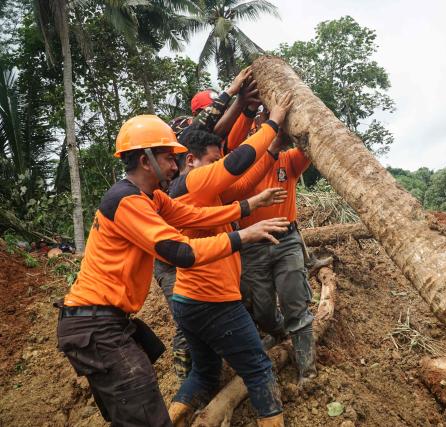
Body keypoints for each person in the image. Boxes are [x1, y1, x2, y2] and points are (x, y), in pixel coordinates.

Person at [55, 114, 289, 426]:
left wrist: (248, 207)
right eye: (168, 158)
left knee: (142, 411)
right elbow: (181, 253)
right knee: (148, 417)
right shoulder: (127, 201)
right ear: (145, 160)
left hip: (105, 324)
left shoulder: (150, 197)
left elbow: (191, 216)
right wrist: (244, 235)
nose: (174, 165)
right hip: (97, 328)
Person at [167, 92, 294, 427]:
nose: (218, 165)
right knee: (258, 367)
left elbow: (244, 183)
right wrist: (273, 122)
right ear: (191, 160)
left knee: (205, 374)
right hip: (213, 300)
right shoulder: (193, 181)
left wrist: (272, 152)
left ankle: (171, 419)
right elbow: (236, 164)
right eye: (212, 160)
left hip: (188, 299)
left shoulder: (202, 191)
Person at [154, 70, 261, 381]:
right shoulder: (179, 141)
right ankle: (191, 381)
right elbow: (200, 132)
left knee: (236, 297)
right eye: (207, 112)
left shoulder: (203, 161)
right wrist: (234, 97)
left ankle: (221, 366)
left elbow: (223, 136)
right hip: (172, 256)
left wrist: (246, 107)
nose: (214, 118)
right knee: (187, 322)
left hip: (199, 246)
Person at [232, 114, 317, 386]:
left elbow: (310, 143)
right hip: (251, 248)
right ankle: (279, 332)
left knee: (295, 303)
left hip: (286, 241)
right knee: (263, 310)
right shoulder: (239, 166)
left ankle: (308, 371)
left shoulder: (289, 159)